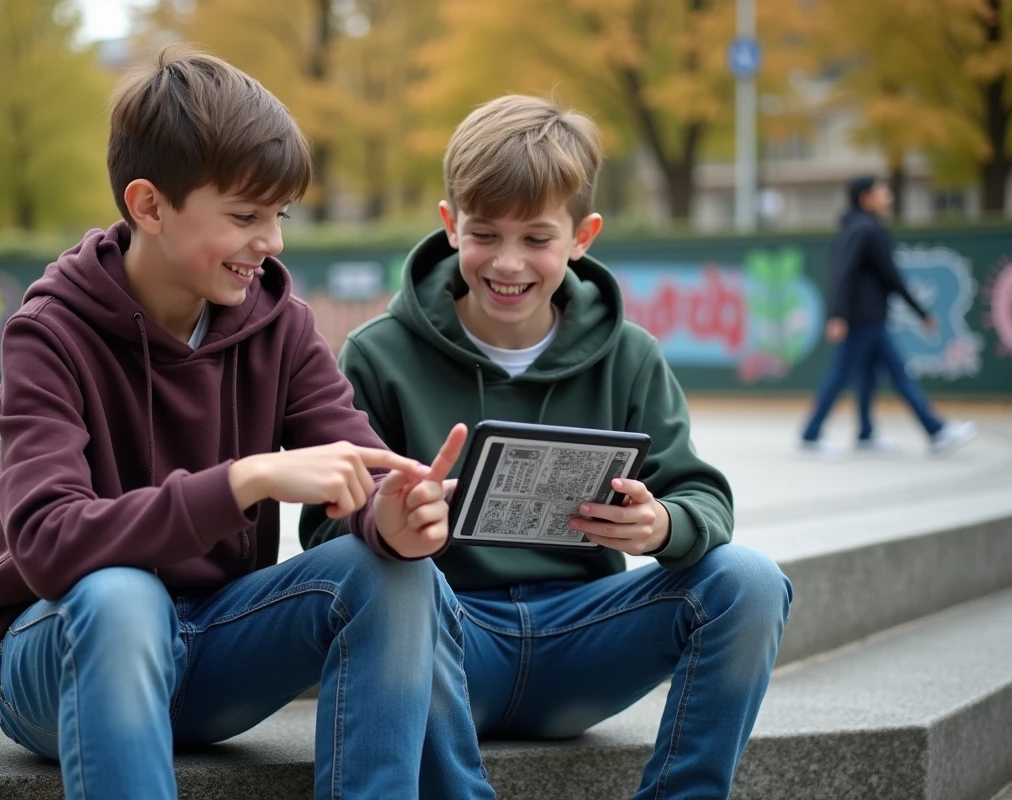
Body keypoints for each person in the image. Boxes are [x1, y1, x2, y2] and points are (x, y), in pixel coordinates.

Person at [0, 47, 495, 800]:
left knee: (398, 576)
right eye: (244, 216)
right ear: (148, 206)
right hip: (55, 656)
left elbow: (362, 465)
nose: (269, 242)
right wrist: (245, 479)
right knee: (121, 595)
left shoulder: (279, 323)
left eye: (278, 216)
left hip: (210, 650)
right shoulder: (49, 331)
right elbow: (47, 543)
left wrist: (395, 517)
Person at [301, 94, 793, 799]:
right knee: (399, 587)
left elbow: (702, 495)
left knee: (748, 580)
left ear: (582, 235)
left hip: (585, 638)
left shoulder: (631, 355)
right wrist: (389, 524)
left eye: (537, 238)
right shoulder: (377, 356)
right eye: (484, 234)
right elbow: (324, 535)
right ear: (449, 225)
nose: (508, 263)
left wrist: (661, 524)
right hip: (446, 643)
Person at [798, 175, 977, 458]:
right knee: (876, 373)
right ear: (865, 198)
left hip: (866, 317)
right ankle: (811, 435)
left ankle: (866, 434)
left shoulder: (852, 228)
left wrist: (840, 312)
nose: (888, 197)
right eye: (882, 192)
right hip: (863, 319)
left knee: (868, 375)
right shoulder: (868, 230)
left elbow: (861, 275)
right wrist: (839, 315)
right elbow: (874, 275)